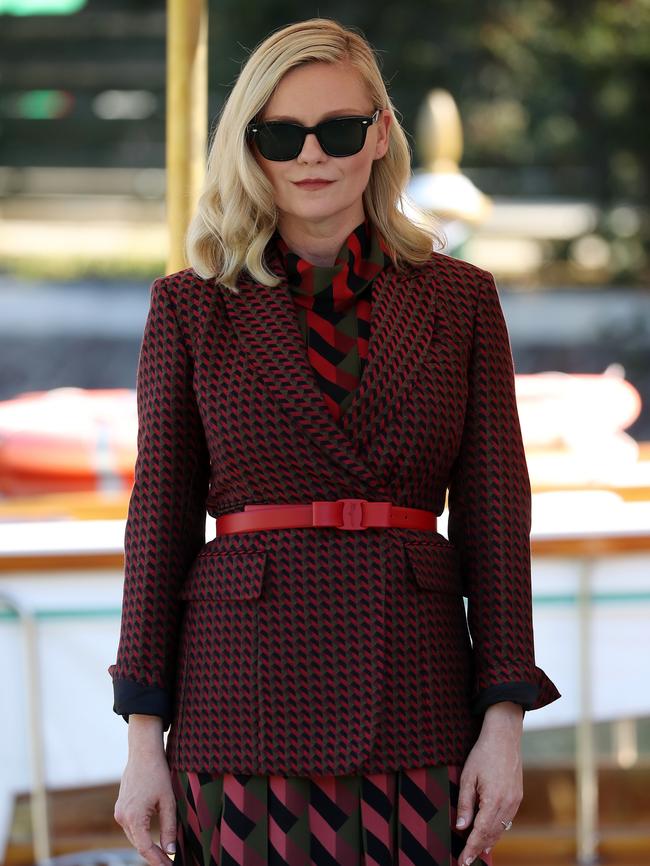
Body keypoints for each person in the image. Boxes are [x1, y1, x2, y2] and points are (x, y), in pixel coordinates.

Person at [108, 17, 561, 866]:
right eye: (281, 134)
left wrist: (505, 720)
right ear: (251, 146)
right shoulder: (191, 305)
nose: (310, 156)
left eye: (339, 129)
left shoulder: (461, 300)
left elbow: (497, 518)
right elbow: (158, 523)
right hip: (238, 703)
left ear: (380, 134)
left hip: (417, 696)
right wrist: (142, 737)